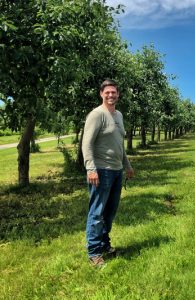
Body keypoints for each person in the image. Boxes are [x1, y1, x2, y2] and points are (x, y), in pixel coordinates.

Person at [82, 79, 134, 267]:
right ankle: (94, 253)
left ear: (118, 95)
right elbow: (86, 144)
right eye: (107, 92)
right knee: (96, 213)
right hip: (101, 171)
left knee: (109, 213)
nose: (111, 95)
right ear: (101, 94)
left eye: (114, 92)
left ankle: (104, 244)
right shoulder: (97, 115)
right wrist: (91, 168)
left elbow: (119, 145)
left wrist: (127, 166)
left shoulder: (118, 115)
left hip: (116, 171)